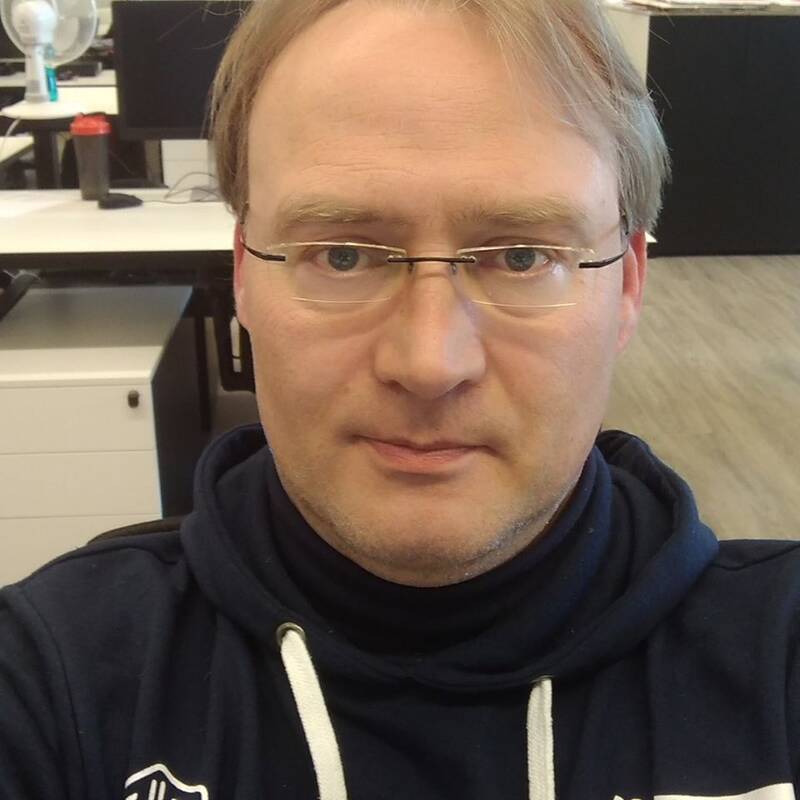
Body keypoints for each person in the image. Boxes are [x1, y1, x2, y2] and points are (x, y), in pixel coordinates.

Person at [1, 0, 798, 798]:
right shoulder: (51, 677)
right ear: (243, 274)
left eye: (522, 256)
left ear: (626, 285)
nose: (429, 363)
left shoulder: (778, 656)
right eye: (342, 255)